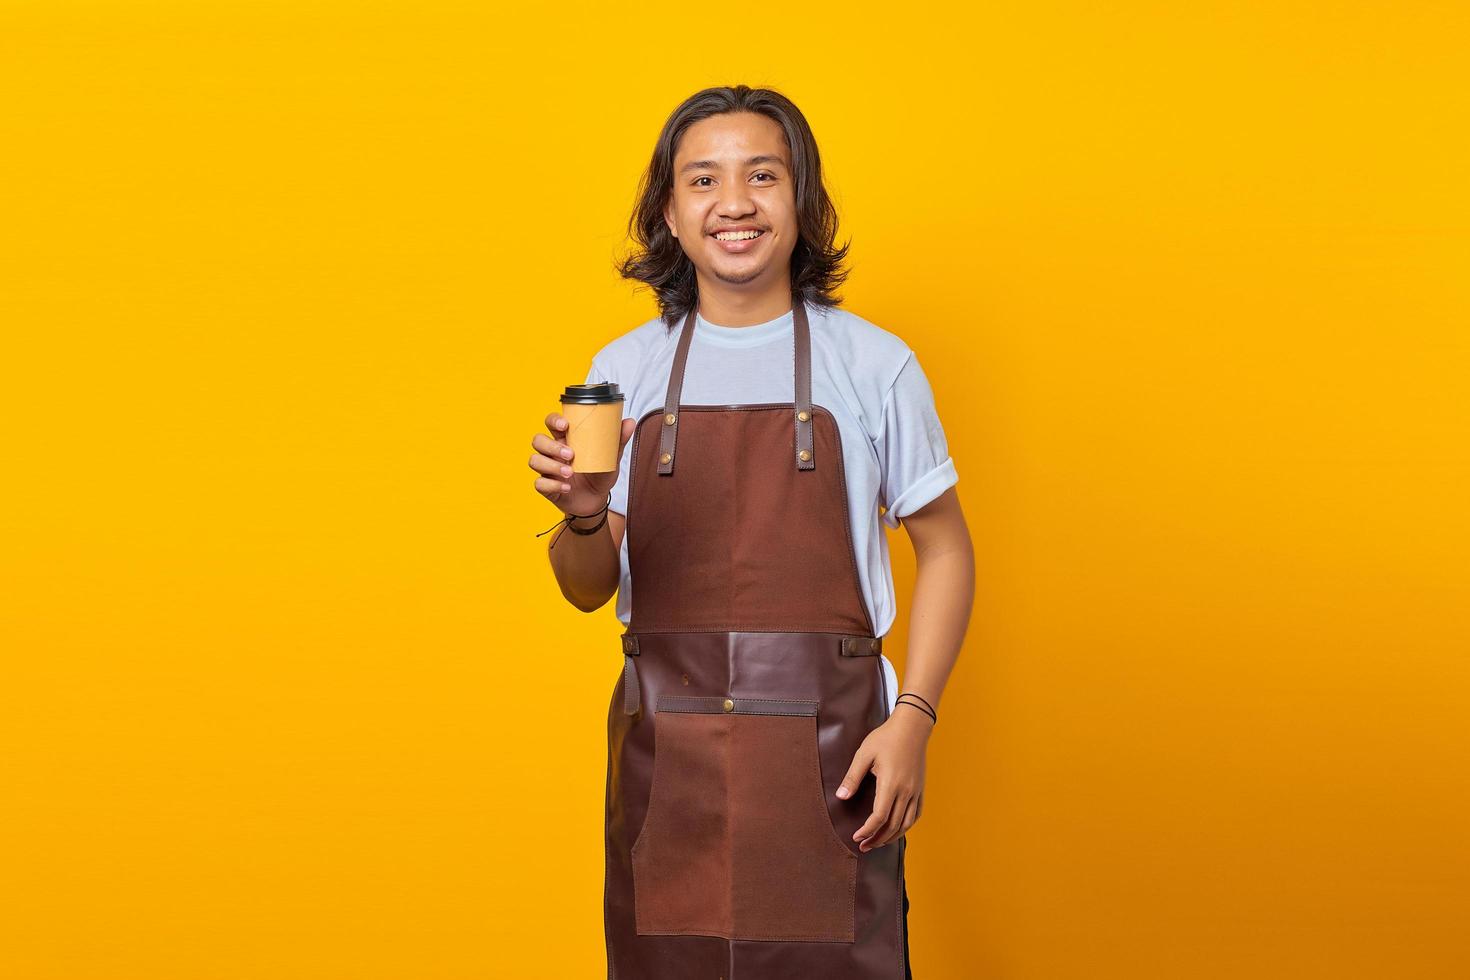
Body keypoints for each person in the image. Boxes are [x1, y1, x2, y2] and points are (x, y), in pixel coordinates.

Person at [530, 85, 974, 979]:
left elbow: (947, 546)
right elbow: (588, 587)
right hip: (671, 764)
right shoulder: (625, 369)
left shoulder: (875, 364)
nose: (733, 202)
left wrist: (914, 720)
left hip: (834, 761)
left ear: (800, 201)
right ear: (670, 209)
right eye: (704, 179)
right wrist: (583, 515)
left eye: (761, 175)